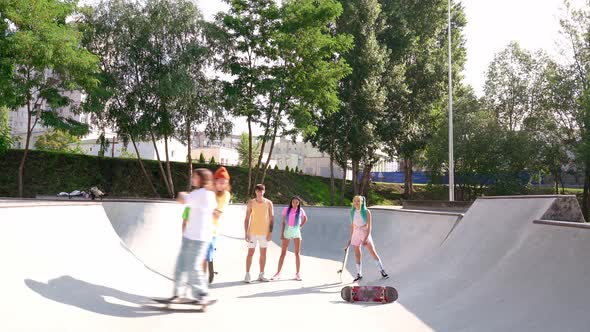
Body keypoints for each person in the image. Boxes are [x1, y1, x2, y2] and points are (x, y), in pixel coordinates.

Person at [168, 168, 217, 302]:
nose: (192, 179)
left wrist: (181, 193)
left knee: (192, 266)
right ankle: (178, 293)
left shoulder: (201, 193)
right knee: (181, 265)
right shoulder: (208, 194)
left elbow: (182, 199)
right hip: (191, 236)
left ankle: (201, 294)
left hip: (198, 238)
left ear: (201, 179)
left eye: (194, 177)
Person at [347, 195, 388, 282]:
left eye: (358, 201)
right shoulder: (352, 212)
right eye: (355, 201)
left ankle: (382, 271)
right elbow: (352, 226)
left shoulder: (367, 212)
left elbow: (369, 227)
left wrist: (366, 238)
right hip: (355, 234)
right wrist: (350, 239)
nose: (356, 203)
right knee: (357, 254)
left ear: (362, 202)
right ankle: (359, 274)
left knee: (373, 252)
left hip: (364, 232)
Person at [202, 166, 231, 276]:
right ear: (215, 181)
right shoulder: (207, 191)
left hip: (212, 229)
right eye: (220, 182)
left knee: (208, 251)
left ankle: (208, 268)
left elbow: (217, 214)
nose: (222, 185)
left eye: (225, 183)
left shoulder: (226, 195)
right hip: (200, 227)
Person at [243, 184, 274, 283]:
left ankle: (261, 274)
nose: (259, 193)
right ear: (255, 191)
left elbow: (272, 219)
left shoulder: (269, 203)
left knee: (263, 254)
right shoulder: (251, 202)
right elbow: (247, 218)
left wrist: (270, 232)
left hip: (264, 233)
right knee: (250, 253)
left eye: (261, 191)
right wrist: (246, 232)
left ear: (264, 191)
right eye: (258, 191)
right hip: (252, 232)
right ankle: (247, 274)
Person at [272, 195, 307, 281]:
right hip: (287, 231)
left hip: (296, 232)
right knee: (283, 253)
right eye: (293, 202)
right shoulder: (286, 210)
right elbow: (283, 222)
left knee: (297, 253)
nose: (295, 204)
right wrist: (282, 234)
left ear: (299, 203)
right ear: (291, 202)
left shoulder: (301, 210)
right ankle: (278, 273)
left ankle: (298, 274)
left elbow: (305, 218)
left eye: (297, 202)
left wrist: (300, 226)